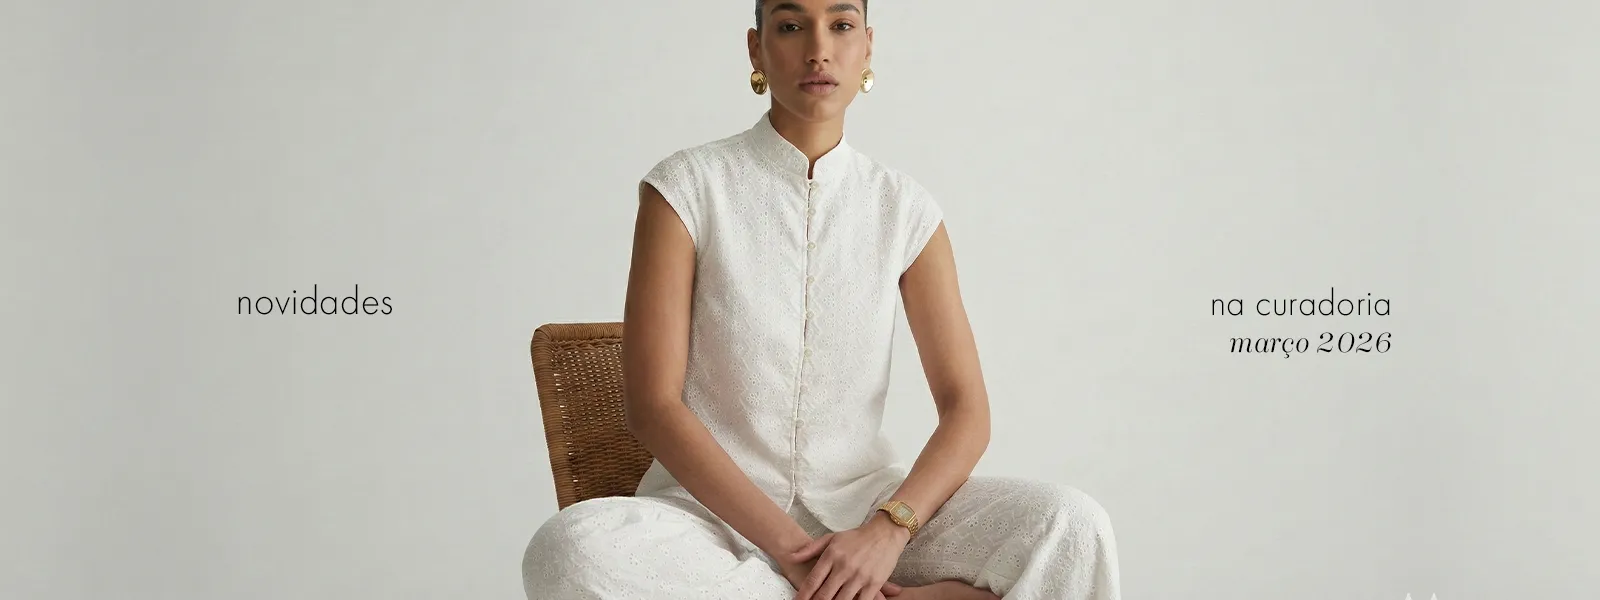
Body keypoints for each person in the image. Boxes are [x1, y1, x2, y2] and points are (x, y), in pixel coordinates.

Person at [523, 1, 1121, 598]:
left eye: (841, 25)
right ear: (756, 49)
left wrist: (888, 532)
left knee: (1071, 525)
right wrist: (795, 556)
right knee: (569, 550)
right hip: (705, 522)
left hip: (866, 506)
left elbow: (967, 410)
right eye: (790, 27)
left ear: (867, 46)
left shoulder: (904, 210)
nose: (818, 50)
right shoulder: (686, 188)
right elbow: (653, 406)